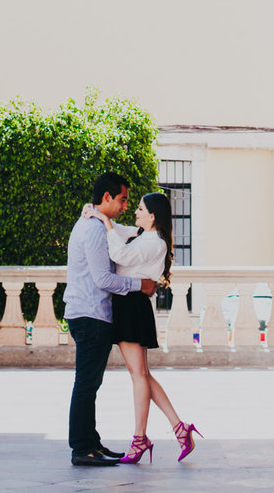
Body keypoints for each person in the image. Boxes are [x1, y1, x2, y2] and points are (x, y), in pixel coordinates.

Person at [85, 190, 201, 464]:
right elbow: (124, 232)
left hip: (132, 306)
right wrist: (102, 217)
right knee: (143, 375)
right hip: (132, 305)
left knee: (139, 376)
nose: (134, 212)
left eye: (139, 208)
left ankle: (140, 439)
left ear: (152, 216)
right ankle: (179, 428)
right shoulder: (146, 237)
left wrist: (104, 222)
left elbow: (121, 255)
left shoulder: (154, 242)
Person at [63, 171, 157, 468]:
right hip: (90, 316)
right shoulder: (92, 230)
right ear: (107, 198)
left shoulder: (97, 224)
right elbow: (103, 279)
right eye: (123, 200)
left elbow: (123, 229)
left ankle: (91, 443)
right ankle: (81, 448)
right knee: (86, 384)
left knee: (90, 383)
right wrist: (139, 285)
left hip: (92, 315)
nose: (126, 205)